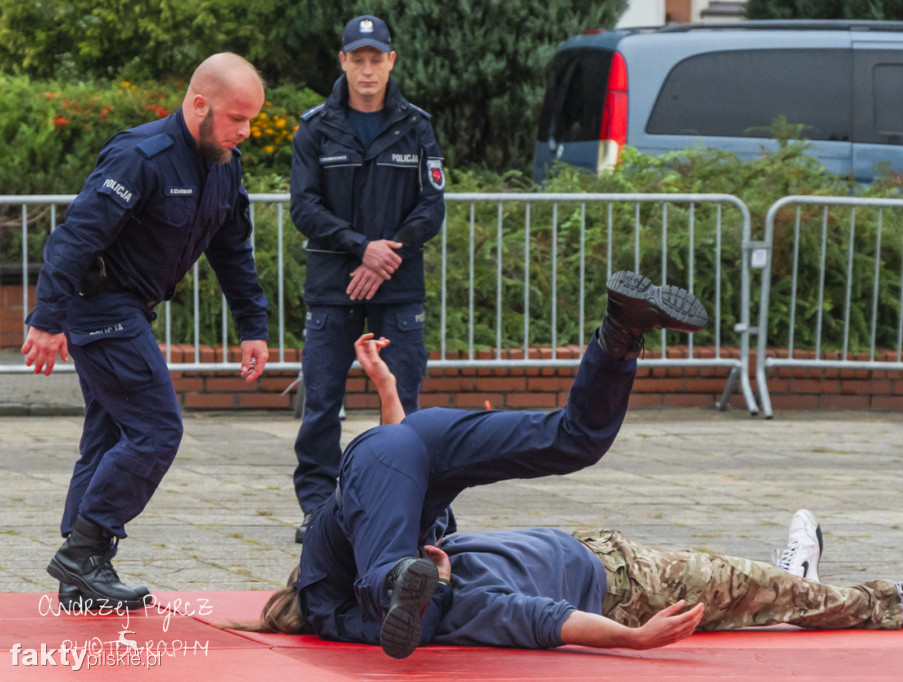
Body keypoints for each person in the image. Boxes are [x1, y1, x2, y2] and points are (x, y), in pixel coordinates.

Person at [279, 271, 707, 658]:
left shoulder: (322, 601)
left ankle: (393, 579)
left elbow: (408, 627)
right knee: (574, 440)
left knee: (382, 577)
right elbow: (394, 454)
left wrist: (434, 584)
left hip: (391, 467)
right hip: (421, 438)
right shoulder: (396, 517)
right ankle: (621, 332)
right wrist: (386, 387)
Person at [21, 53, 271, 611]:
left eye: (251, 120)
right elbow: (75, 239)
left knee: (109, 437)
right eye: (236, 118)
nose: (245, 132)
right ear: (199, 104)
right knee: (157, 429)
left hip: (132, 307)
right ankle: (83, 553)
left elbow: (233, 251)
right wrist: (46, 318)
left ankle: (79, 576)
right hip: (100, 305)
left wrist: (252, 326)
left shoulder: (225, 164)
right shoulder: (141, 156)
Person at [247, 509, 903, 654]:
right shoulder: (462, 606)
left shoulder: (429, 561)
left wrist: (385, 388)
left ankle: (791, 578)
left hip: (595, 546)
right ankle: (891, 606)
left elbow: (387, 487)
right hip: (627, 587)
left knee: (751, 593)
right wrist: (636, 638)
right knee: (739, 584)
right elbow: (547, 620)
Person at [289, 14, 446, 544]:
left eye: (376, 58)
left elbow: (431, 207)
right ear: (343, 62)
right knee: (321, 405)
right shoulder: (314, 128)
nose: (367, 69)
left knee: (403, 402)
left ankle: (408, 509)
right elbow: (304, 208)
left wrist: (384, 259)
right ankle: (317, 510)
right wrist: (362, 249)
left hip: (397, 289)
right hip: (334, 288)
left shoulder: (418, 125)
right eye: (357, 59)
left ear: (391, 61)